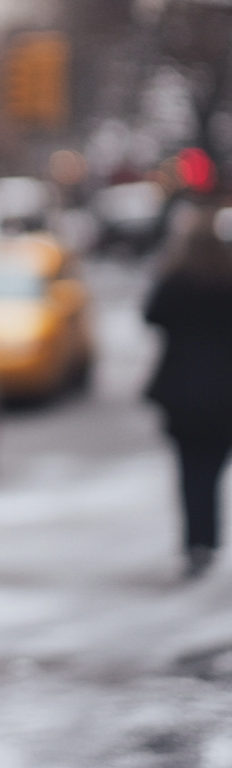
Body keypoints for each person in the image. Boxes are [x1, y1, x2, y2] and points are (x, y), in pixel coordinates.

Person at [146, 205, 232, 579]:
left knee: (190, 470)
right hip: (225, 390)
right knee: (212, 469)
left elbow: (151, 315)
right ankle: (208, 537)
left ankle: (197, 541)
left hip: (182, 389)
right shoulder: (229, 277)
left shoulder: (177, 278)